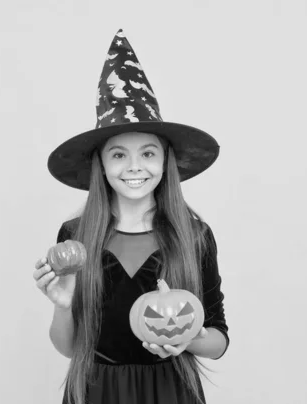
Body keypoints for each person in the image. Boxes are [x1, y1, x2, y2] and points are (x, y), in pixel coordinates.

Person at [33, 29, 229, 404]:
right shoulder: (75, 235)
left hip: (172, 390)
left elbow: (218, 339)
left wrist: (189, 338)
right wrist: (62, 305)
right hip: (97, 391)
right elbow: (70, 348)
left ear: (165, 162)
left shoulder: (195, 235)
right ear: (102, 165)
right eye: (119, 154)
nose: (134, 167)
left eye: (149, 154)